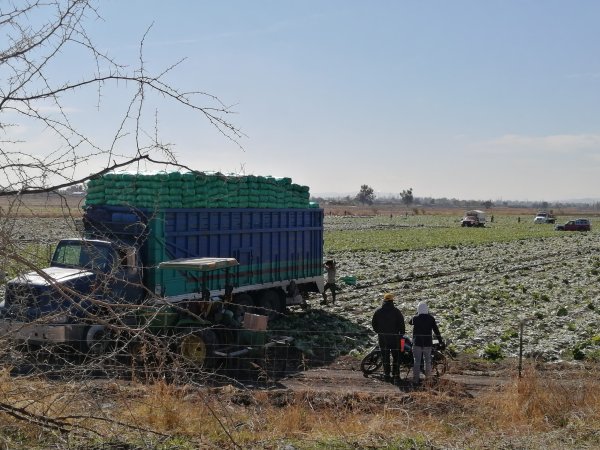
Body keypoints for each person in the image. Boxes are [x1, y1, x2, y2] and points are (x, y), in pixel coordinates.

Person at [371, 293, 405, 383]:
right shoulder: (396, 311)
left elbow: (373, 324)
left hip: (383, 338)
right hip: (395, 338)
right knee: (396, 357)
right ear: (392, 301)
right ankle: (396, 376)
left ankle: (387, 376)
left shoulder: (378, 311)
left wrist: (379, 332)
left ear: (384, 300)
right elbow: (402, 324)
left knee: (385, 357)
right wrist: (401, 334)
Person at [409, 301, 443, 385]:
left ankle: (415, 380)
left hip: (417, 343)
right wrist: (440, 340)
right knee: (427, 361)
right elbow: (436, 330)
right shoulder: (431, 318)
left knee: (416, 361)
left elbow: (410, 322)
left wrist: (416, 313)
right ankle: (428, 380)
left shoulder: (415, 318)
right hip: (427, 343)